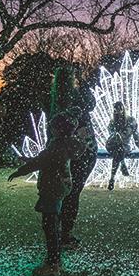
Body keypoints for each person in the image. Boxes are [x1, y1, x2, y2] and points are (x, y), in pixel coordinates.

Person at [7, 112, 76, 276]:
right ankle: (55, 260)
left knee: (49, 225)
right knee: (52, 224)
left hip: (52, 188)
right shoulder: (64, 145)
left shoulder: (57, 147)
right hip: (59, 187)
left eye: (52, 127)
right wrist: (29, 160)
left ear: (58, 129)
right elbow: (42, 159)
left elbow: (41, 161)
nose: (49, 129)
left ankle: (53, 264)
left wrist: (20, 171)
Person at [60, 107, 97, 250]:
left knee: (71, 195)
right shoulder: (79, 117)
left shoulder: (80, 115)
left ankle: (64, 232)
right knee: (71, 196)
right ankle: (63, 233)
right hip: (80, 162)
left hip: (82, 161)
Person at [105, 101, 136, 191]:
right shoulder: (112, 122)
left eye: (119, 109)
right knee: (118, 147)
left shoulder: (131, 121)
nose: (118, 112)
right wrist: (116, 136)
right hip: (112, 145)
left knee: (119, 151)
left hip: (124, 147)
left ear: (123, 109)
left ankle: (112, 178)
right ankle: (122, 164)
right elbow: (111, 136)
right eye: (116, 110)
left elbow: (136, 135)